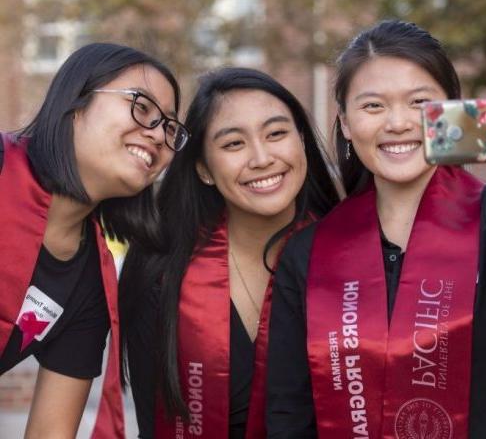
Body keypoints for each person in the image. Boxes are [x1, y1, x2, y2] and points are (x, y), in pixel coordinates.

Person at [266, 19, 486, 438]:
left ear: (451, 109)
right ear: (344, 122)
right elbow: (290, 414)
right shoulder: (311, 253)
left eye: (418, 103)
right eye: (373, 106)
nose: (397, 123)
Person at [121, 67, 339, 438]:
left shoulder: (354, 259)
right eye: (233, 144)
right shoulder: (160, 268)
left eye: (276, 134)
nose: (261, 158)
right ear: (204, 168)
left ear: (301, 140)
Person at [0, 42, 187, 439]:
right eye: (141, 107)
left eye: (170, 128)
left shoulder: (90, 286)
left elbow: (51, 431)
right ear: (76, 102)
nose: (157, 135)